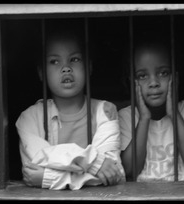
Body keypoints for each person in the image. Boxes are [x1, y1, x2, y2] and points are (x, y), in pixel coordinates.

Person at [16, 26, 125, 190]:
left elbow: (112, 173)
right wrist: (95, 161)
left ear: (88, 66)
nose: (65, 68)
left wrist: (49, 178)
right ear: (41, 73)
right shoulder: (29, 118)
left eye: (74, 59)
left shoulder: (105, 111)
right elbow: (35, 164)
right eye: (54, 61)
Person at [119, 37, 184, 182]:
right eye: (142, 76)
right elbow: (130, 170)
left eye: (163, 73)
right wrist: (144, 118)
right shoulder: (126, 116)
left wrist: (174, 114)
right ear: (132, 82)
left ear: (175, 77)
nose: (154, 83)